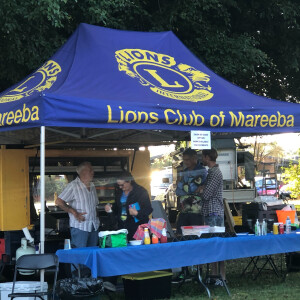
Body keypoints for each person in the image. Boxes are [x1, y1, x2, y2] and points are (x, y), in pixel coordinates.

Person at [55, 161, 100, 249]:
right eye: (90, 170)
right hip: (80, 227)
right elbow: (59, 201)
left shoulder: (92, 185)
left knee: (92, 255)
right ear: (83, 172)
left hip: (94, 226)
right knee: (79, 257)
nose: (93, 172)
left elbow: (95, 205)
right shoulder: (73, 186)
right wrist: (74, 212)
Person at [198, 148, 225, 284]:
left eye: (203, 157)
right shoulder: (212, 172)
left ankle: (221, 277)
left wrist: (201, 190)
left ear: (207, 157)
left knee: (217, 245)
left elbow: (207, 194)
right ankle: (215, 276)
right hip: (210, 211)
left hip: (214, 212)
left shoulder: (214, 173)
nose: (202, 159)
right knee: (214, 245)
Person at [104, 171, 153, 241]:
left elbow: (149, 209)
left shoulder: (141, 191)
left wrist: (137, 213)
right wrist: (110, 207)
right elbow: (118, 207)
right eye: (118, 185)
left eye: (122, 185)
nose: (120, 187)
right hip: (122, 227)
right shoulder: (119, 192)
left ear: (129, 181)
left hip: (137, 228)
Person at [175, 148, 207, 234]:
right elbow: (177, 192)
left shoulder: (201, 171)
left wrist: (181, 184)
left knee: (196, 237)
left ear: (194, 158)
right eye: (184, 160)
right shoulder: (184, 172)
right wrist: (189, 190)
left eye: (187, 159)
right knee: (181, 235)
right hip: (184, 210)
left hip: (196, 211)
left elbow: (190, 189)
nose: (185, 162)